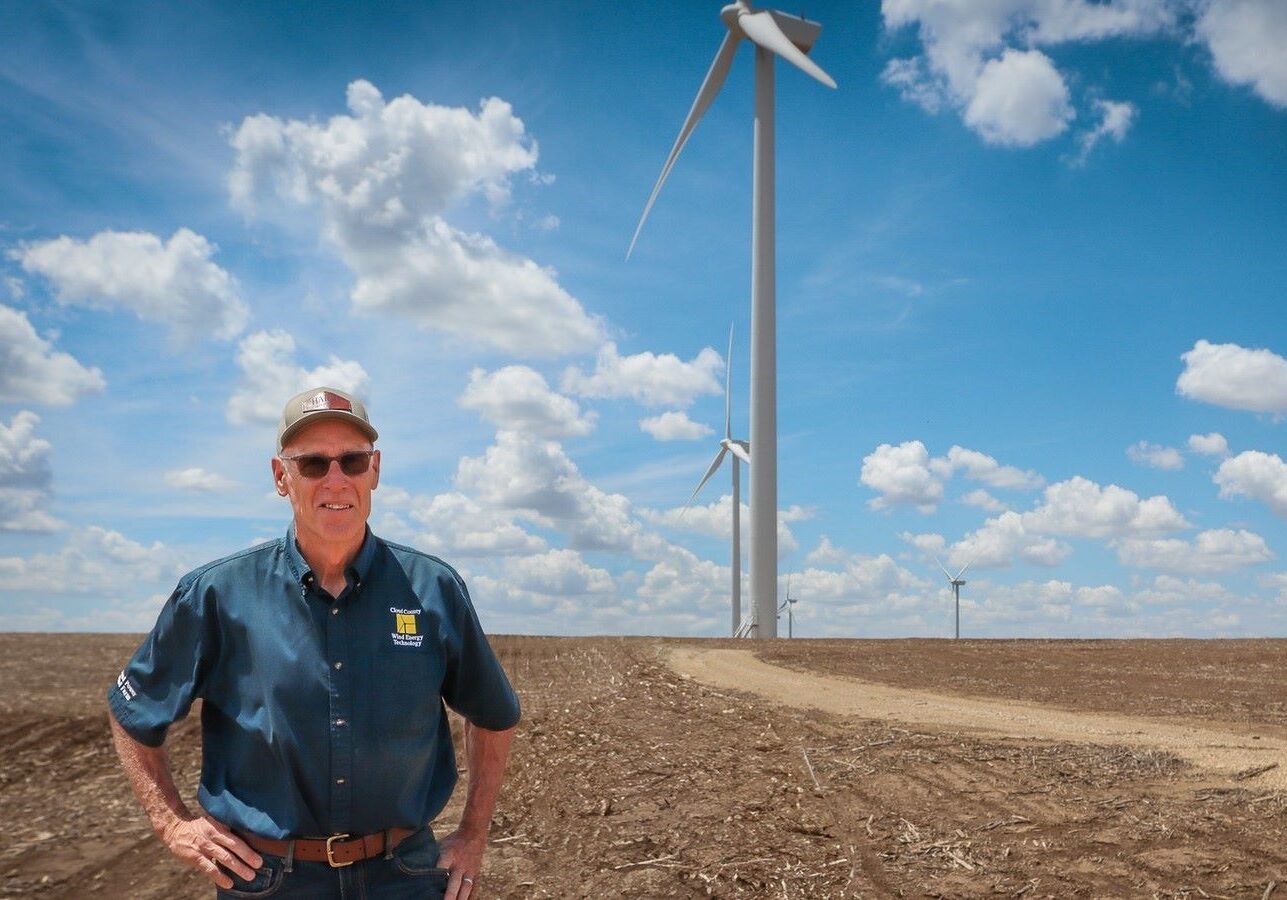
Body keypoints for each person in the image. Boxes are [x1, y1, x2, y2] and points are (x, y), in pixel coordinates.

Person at [107, 386, 520, 899]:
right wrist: (172, 824)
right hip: (268, 879)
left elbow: (494, 715)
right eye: (312, 464)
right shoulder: (216, 594)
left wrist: (474, 834)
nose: (336, 479)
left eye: (352, 460)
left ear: (375, 470)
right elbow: (132, 712)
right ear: (281, 477)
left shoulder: (433, 587)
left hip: (404, 876)